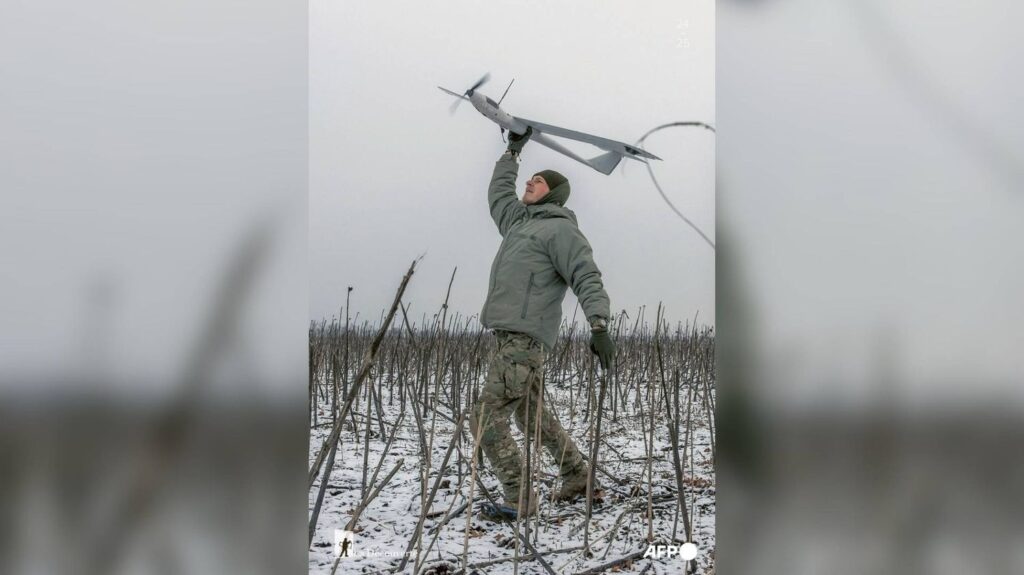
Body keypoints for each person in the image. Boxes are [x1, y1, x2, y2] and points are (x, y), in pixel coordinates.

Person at [470, 126, 616, 518]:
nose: (530, 184)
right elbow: (498, 195)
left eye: (538, 182)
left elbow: (586, 274)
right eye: (530, 179)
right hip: (508, 336)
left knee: (485, 416)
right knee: (531, 416)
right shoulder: (519, 223)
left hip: (524, 339)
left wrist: (598, 324)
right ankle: (577, 476)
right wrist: (512, 154)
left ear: (552, 193)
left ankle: (519, 499)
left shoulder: (561, 230)